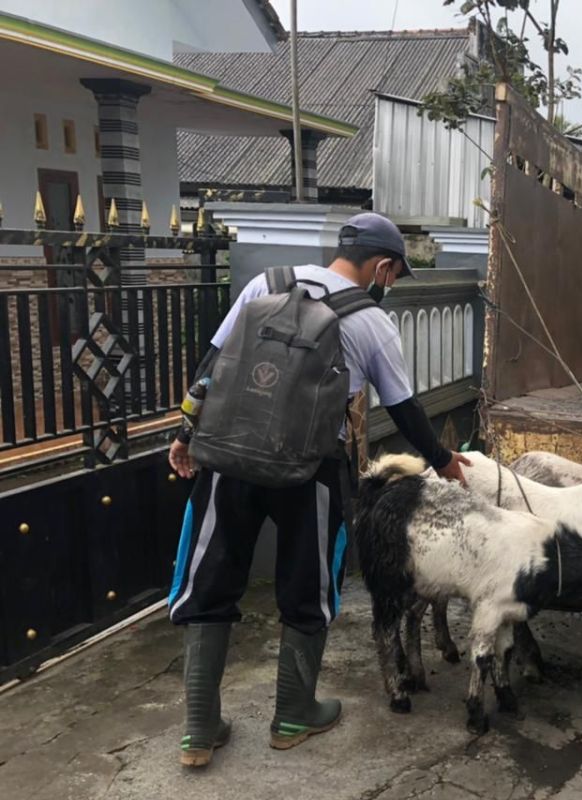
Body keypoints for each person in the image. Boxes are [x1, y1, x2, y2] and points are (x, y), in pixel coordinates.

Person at [166, 212, 471, 767]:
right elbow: (404, 409)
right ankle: (292, 714)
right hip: (311, 471)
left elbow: (213, 365)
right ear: (381, 266)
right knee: (308, 589)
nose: (391, 285)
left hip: (228, 457)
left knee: (209, 584)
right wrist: (443, 460)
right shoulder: (371, 322)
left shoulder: (267, 283)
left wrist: (187, 433)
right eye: (395, 275)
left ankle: (198, 729)